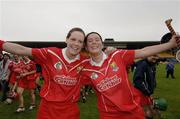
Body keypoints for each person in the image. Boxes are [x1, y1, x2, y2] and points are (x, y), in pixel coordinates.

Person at [80, 32, 180, 119]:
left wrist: (170, 44)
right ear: (86, 47)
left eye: (97, 39)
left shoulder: (117, 55)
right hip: (109, 115)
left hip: (132, 111)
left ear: (102, 44)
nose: (94, 42)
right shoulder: (85, 69)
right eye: (90, 41)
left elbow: (143, 51)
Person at [0, 27, 87, 119]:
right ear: (66, 39)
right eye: (73, 39)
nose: (76, 44)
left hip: (71, 111)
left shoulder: (85, 61)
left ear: (83, 45)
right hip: (48, 109)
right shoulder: (50, 53)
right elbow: (22, 50)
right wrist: (1, 43)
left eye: (80, 41)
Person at [133, 55, 160, 119]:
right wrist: (148, 92)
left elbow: (151, 78)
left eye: (156, 55)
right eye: (152, 55)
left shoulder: (151, 64)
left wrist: (153, 84)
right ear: (147, 56)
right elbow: (138, 80)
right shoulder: (143, 64)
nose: (155, 57)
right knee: (147, 112)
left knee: (151, 111)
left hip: (147, 92)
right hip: (142, 93)